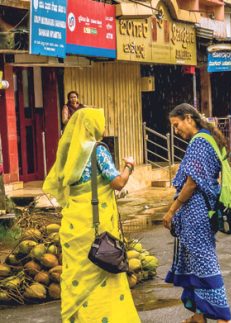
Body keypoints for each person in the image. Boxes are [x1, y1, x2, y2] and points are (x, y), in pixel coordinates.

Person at [42, 108, 139, 323]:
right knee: (102, 272)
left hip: (74, 223)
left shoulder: (70, 152)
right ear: (91, 126)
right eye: (100, 123)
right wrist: (129, 166)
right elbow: (118, 183)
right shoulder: (97, 151)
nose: (103, 127)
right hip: (96, 224)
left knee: (78, 274)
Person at [163, 103, 231, 323]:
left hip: (196, 214)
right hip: (197, 214)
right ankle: (198, 317)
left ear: (188, 118)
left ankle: (224, 317)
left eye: (177, 125)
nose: (176, 131)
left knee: (204, 264)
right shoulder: (205, 140)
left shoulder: (199, 143)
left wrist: (171, 211)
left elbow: (191, 183)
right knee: (194, 264)